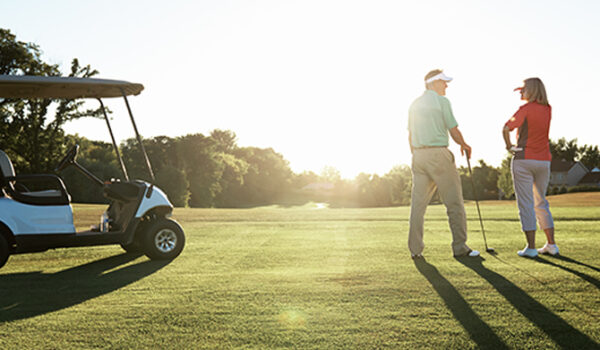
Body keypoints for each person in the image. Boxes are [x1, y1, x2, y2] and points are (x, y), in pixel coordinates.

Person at [407, 69, 480, 259]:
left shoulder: (414, 104)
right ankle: (460, 247)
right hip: (438, 155)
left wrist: (416, 154)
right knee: (454, 203)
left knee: (418, 206)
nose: (446, 85)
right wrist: (463, 144)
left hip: (418, 156)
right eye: (443, 82)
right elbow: (453, 129)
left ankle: (415, 251)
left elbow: (410, 135)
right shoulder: (442, 102)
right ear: (433, 83)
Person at [503, 77, 558, 258]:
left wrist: (508, 146)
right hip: (544, 161)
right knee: (541, 202)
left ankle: (531, 247)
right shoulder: (548, 109)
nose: (521, 92)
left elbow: (506, 128)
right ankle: (551, 245)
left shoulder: (525, 109)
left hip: (524, 159)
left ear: (532, 91)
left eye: (523, 90)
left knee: (526, 204)